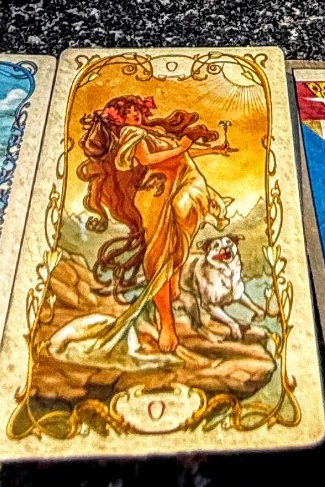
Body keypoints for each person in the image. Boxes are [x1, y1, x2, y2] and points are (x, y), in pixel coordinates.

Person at [76, 95, 236, 355]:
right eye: (127, 113)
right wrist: (184, 144)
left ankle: (172, 283)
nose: (134, 115)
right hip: (157, 193)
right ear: (120, 119)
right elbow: (149, 160)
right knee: (161, 252)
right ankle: (167, 323)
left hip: (180, 181)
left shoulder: (153, 131)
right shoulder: (130, 134)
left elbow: (181, 153)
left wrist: (212, 150)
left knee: (177, 245)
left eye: (136, 110)